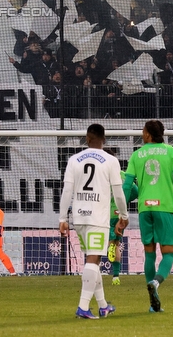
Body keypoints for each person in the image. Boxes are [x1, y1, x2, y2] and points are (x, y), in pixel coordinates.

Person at [58, 123, 129, 320]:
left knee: (93, 259)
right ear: (104, 139)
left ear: (87, 139)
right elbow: (118, 192)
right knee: (94, 259)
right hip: (98, 217)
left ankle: (103, 306)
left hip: (79, 217)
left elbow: (67, 191)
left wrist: (63, 218)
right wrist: (124, 215)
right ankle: (82, 307)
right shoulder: (111, 160)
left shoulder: (74, 159)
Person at [124, 119, 173, 313]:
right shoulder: (170, 152)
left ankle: (152, 304)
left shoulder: (136, 155)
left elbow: (127, 186)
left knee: (149, 253)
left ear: (148, 134)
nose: (141, 133)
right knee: (169, 254)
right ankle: (155, 283)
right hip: (164, 208)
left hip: (144, 209)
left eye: (143, 131)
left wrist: (122, 211)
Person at [108, 169, 139, 285]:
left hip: (106, 213)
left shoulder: (102, 172)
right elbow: (136, 192)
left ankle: (108, 248)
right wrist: (125, 199)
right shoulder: (124, 175)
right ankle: (116, 277)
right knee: (116, 244)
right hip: (120, 214)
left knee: (105, 244)